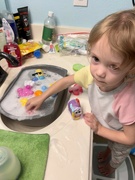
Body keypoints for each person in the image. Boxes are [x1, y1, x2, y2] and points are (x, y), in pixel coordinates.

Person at [26, 9, 135, 176]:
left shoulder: (127, 99)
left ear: (130, 69)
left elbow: (129, 139)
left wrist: (98, 129)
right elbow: (65, 81)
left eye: (113, 66)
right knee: (109, 143)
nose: (99, 72)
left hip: (121, 134)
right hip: (109, 125)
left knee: (118, 152)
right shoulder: (91, 74)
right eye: (96, 59)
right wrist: (42, 96)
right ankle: (108, 151)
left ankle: (112, 166)